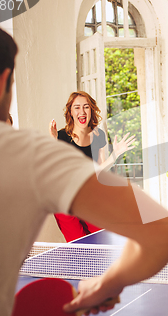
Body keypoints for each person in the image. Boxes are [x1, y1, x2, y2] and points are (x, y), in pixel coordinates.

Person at [0, 14, 168, 316]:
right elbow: (165, 232)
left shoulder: (83, 140)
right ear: (0, 84)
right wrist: (109, 282)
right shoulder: (32, 154)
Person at [49, 91, 136, 241]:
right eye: (76, 107)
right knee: (79, 243)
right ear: (70, 111)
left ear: (91, 110)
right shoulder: (61, 137)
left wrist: (114, 156)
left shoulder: (98, 136)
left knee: (101, 238)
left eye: (86, 107)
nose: (82, 111)